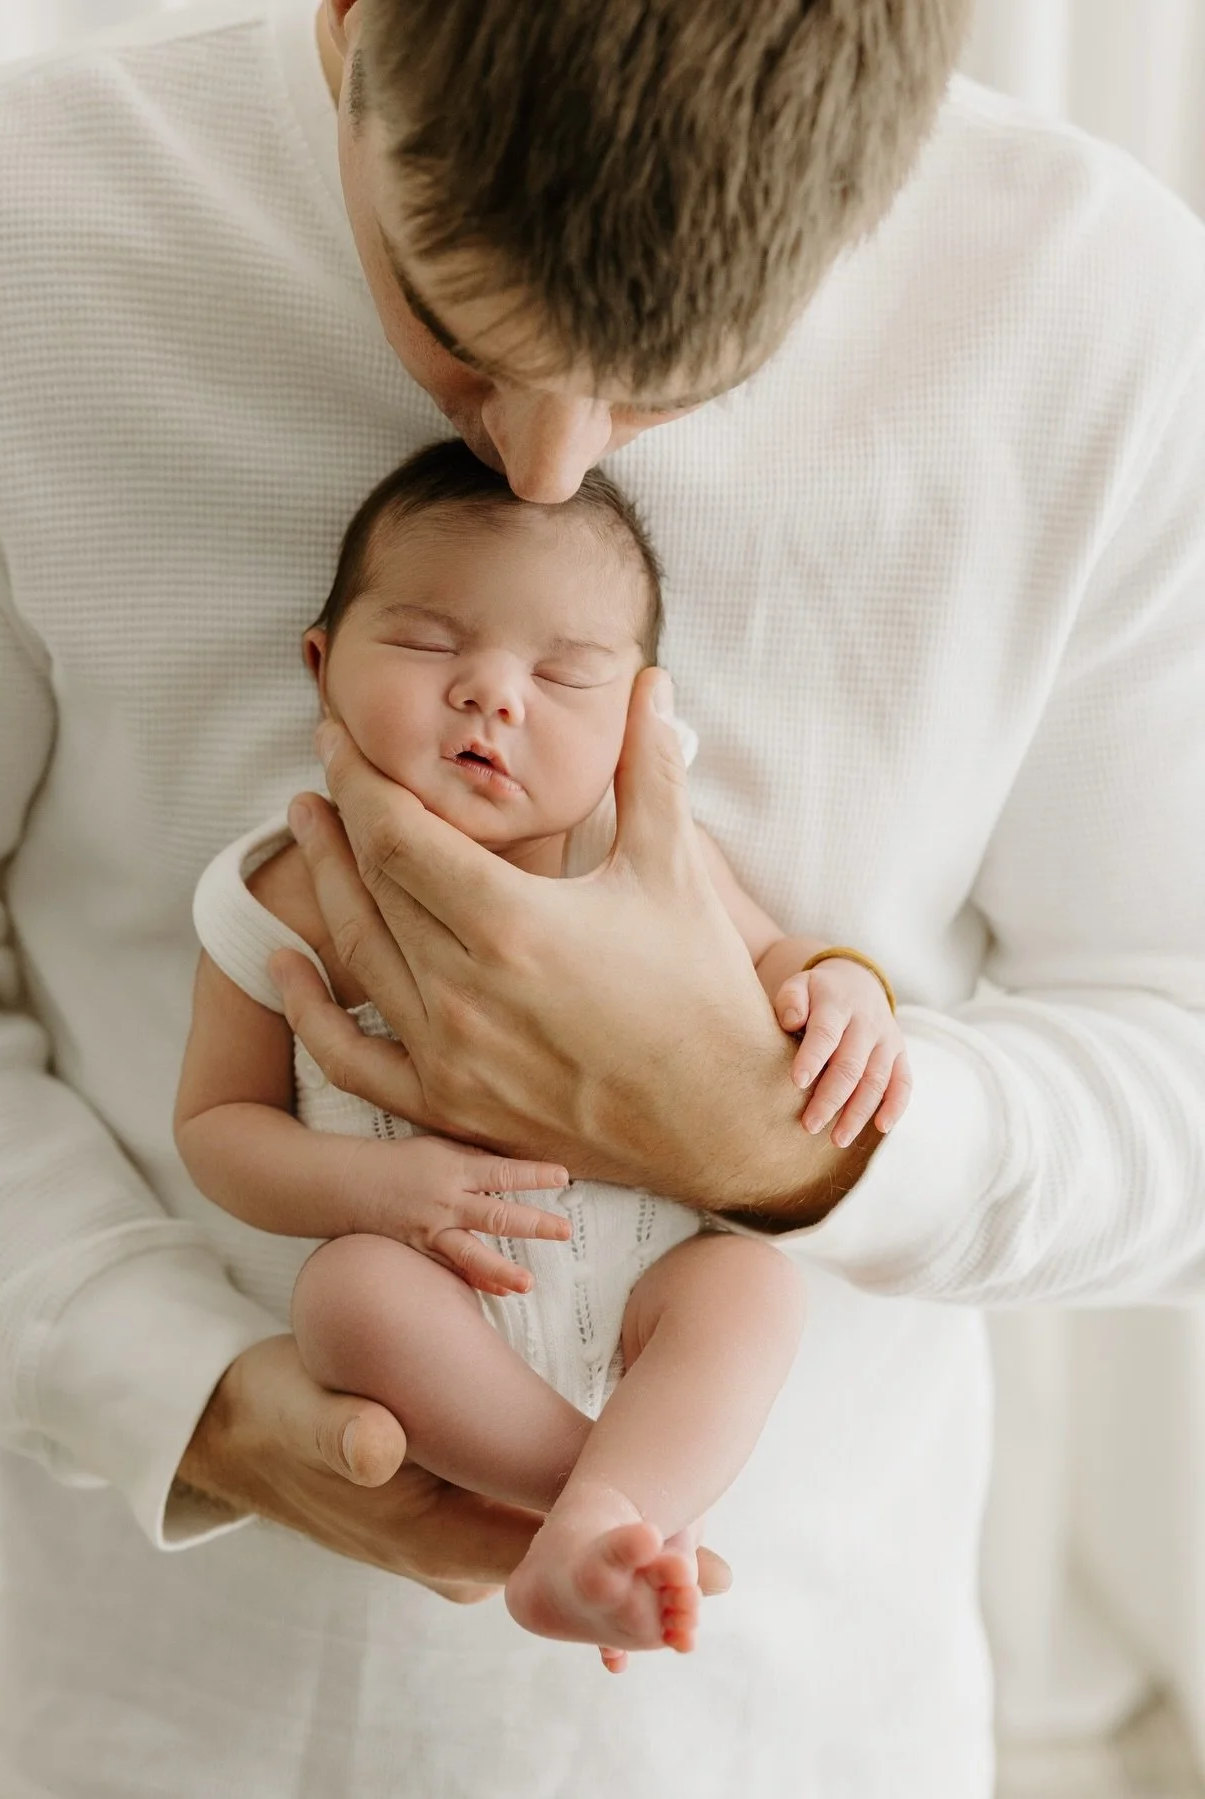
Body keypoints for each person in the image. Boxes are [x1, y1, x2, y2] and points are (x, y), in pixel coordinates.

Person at [0, 0, 1200, 1792]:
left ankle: (610, 1501)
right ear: (358, 32)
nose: (547, 466)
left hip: (804, 1725)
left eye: (682, 376)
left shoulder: (1107, 311)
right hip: (159, 1730)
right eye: (452, 324)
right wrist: (173, 1389)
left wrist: (803, 1132)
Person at [175, 439, 910, 1672]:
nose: (493, 694)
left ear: (640, 718)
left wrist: (840, 988)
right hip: (436, 1297)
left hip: (643, 1289)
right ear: (321, 662)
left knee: (750, 1290)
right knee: (343, 1297)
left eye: (564, 674)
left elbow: (775, 964)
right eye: (427, 644)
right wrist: (374, 1194)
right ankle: (592, 1502)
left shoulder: (638, 855)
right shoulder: (282, 895)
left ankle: (601, 1514)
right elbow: (217, 1129)